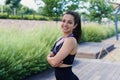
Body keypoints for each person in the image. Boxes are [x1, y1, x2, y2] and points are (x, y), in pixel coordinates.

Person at [47, 11, 82, 80]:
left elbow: (54, 62)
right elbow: (51, 54)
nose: (65, 24)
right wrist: (49, 58)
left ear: (75, 25)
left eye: (69, 22)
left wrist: (49, 59)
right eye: (63, 21)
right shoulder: (60, 39)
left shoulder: (71, 40)